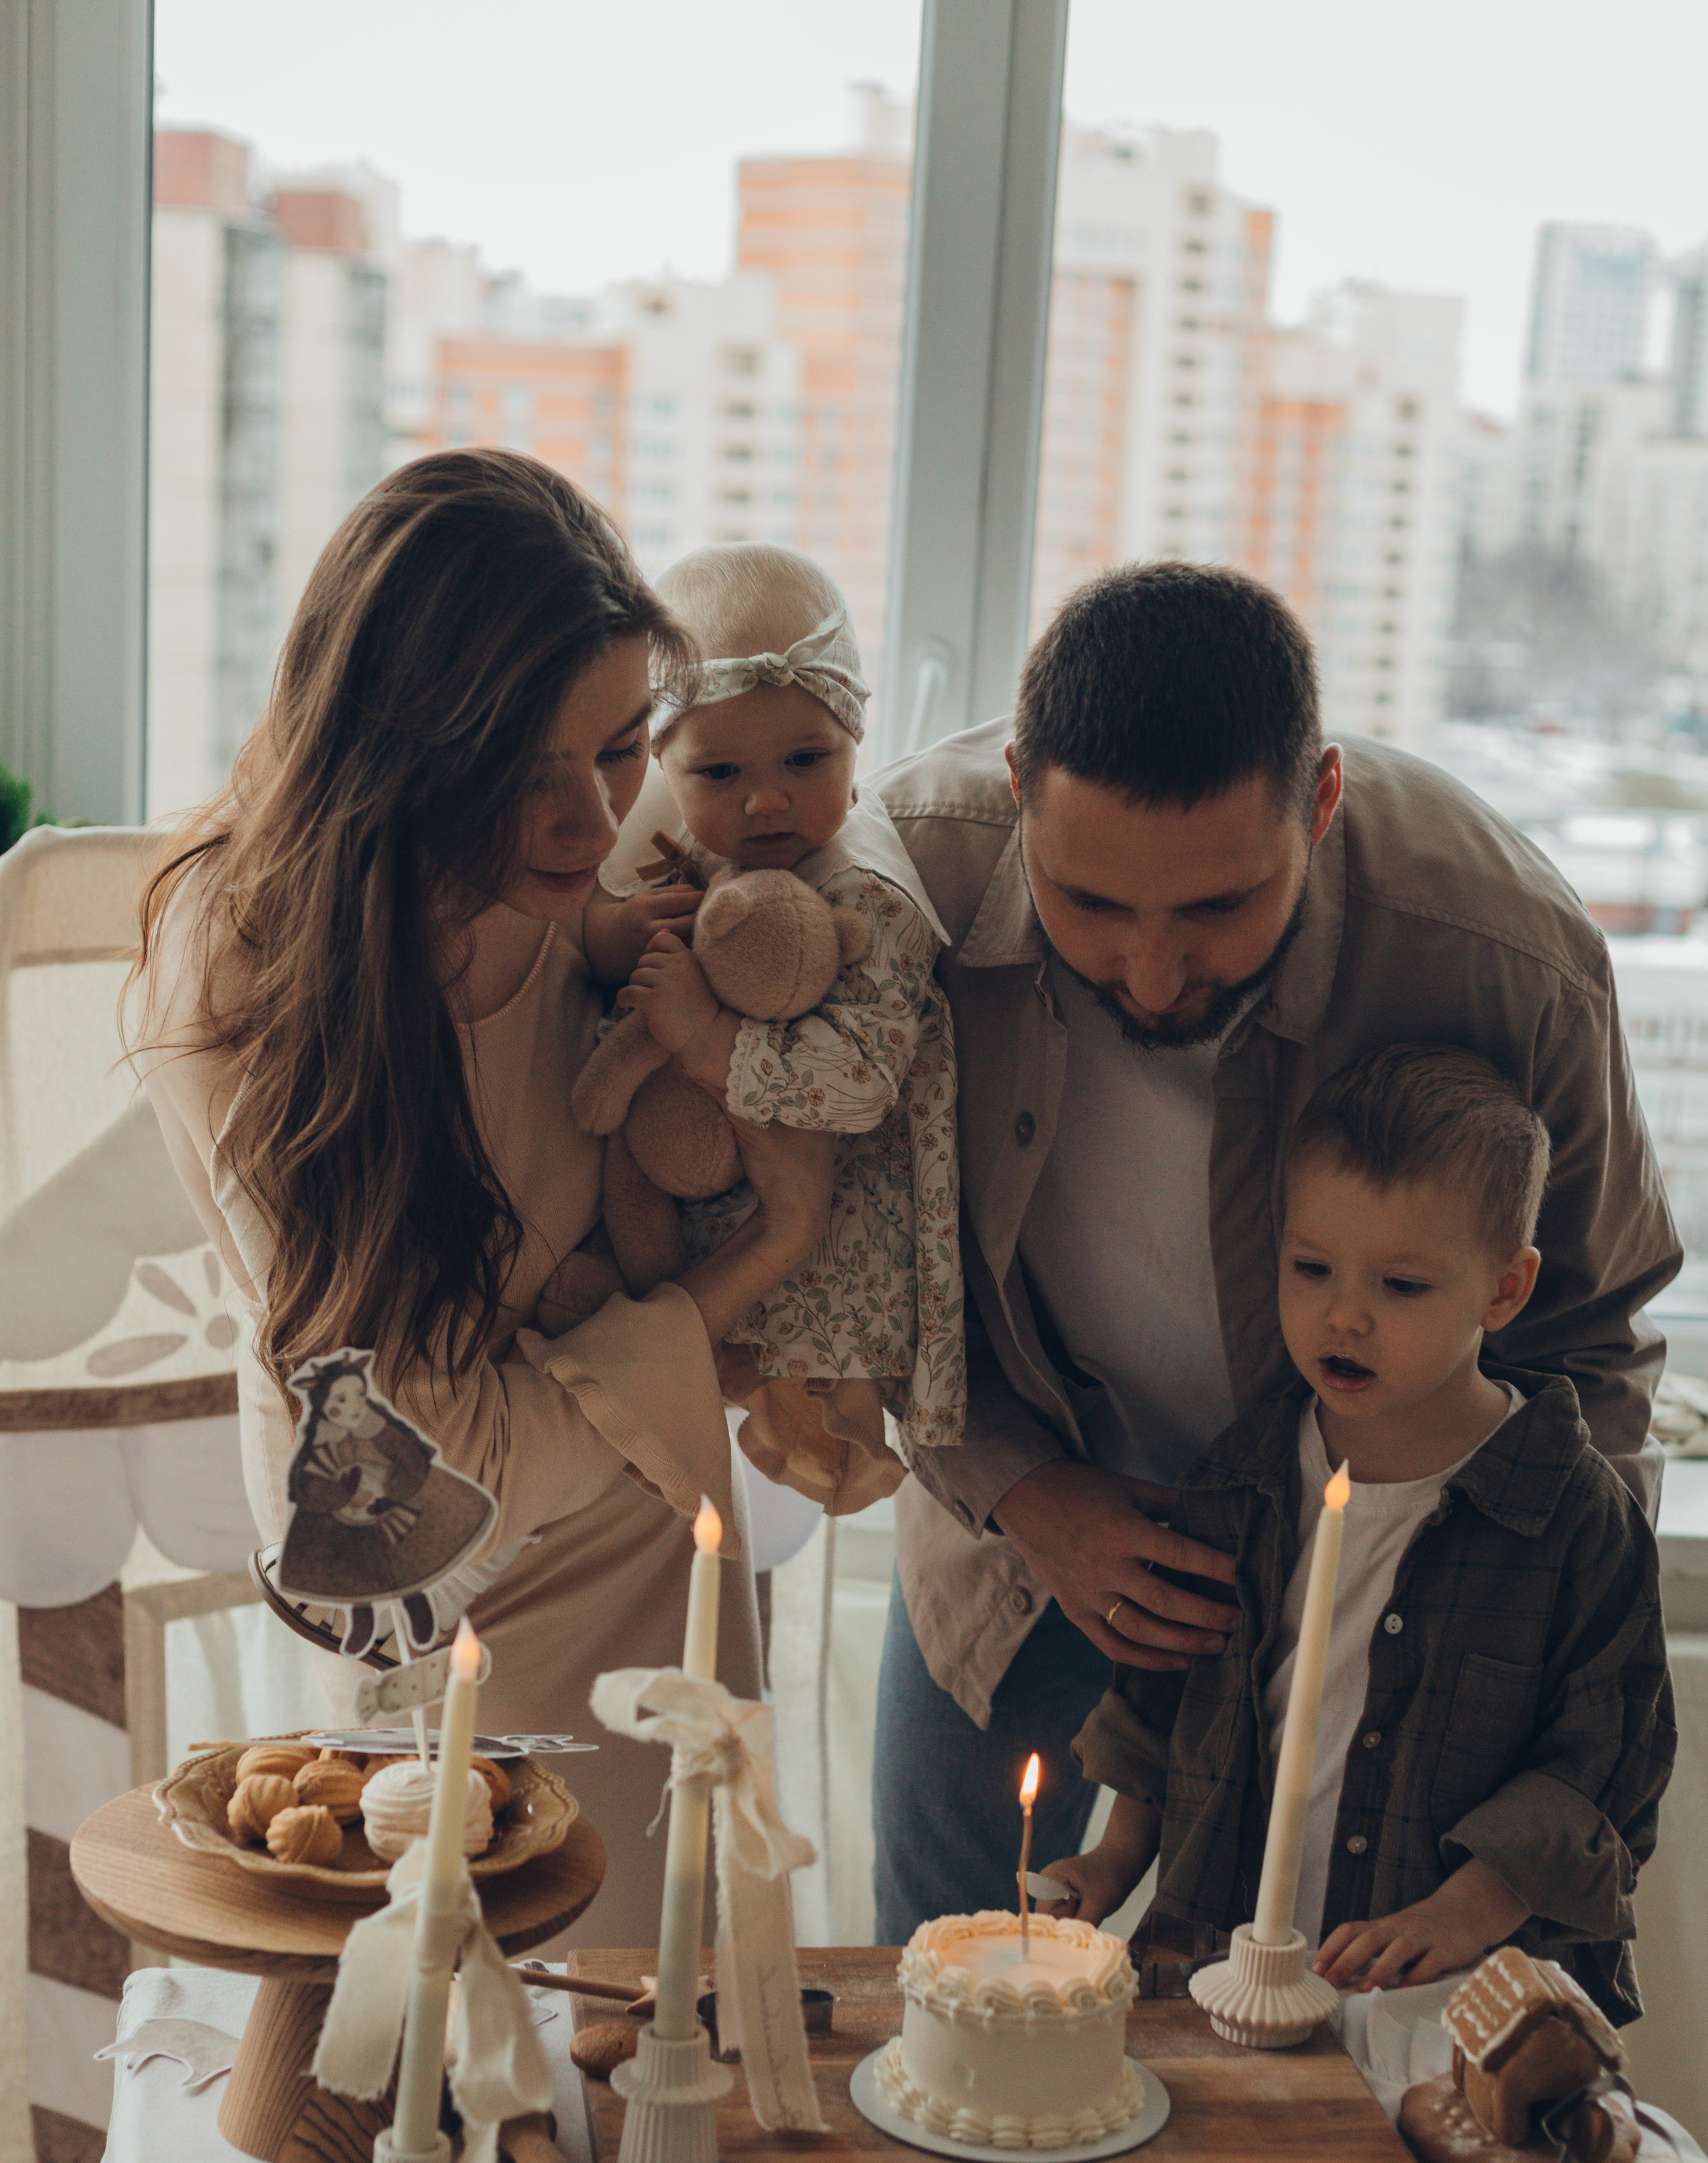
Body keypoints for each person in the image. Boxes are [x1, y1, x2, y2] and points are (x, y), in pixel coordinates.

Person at [869, 562, 1680, 1945]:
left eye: (1213, 910)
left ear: (1319, 803)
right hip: (1013, 1552)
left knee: (1305, 2055)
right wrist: (1020, 1494)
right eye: (1090, 905)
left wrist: (1527, 1660)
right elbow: (859, 1286)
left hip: (1383, 1590)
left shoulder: (1500, 952)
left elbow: (1587, 1334)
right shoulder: (899, 891)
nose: (1148, 974)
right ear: (1016, 790)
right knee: (945, 2005)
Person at [131, 450, 833, 1943]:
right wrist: (747, 1273)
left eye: (621, 748)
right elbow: (442, 1462)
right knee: (471, 2045)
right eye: (516, 774)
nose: (590, 830)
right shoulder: (243, 976)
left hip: (650, 1502)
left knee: (678, 2026)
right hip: (428, 1570)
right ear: (390, 753)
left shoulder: (586, 861)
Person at [1041, 1047, 1674, 2024]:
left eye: (1403, 1286)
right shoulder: (1238, 1477)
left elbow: (1608, 1758)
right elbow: (1171, 1697)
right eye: (1312, 1268)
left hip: (1451, 1994)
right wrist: (1114, 1858)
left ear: (1503, 1292)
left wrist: (1469, 1908)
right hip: (1220, 1956)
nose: (1344, 1315)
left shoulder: (1575, 1517)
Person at [581, 543, 964, 1514]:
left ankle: (822, 1434)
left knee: (795, 1395)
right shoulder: (714, 858)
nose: (766, 799)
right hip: (744, 1201)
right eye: (720, 771)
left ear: (855, 737)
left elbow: (862, 1077)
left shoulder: (868, 888)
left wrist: (705, 1038)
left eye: (806, 760)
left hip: (847, 1241)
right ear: (663, 766)